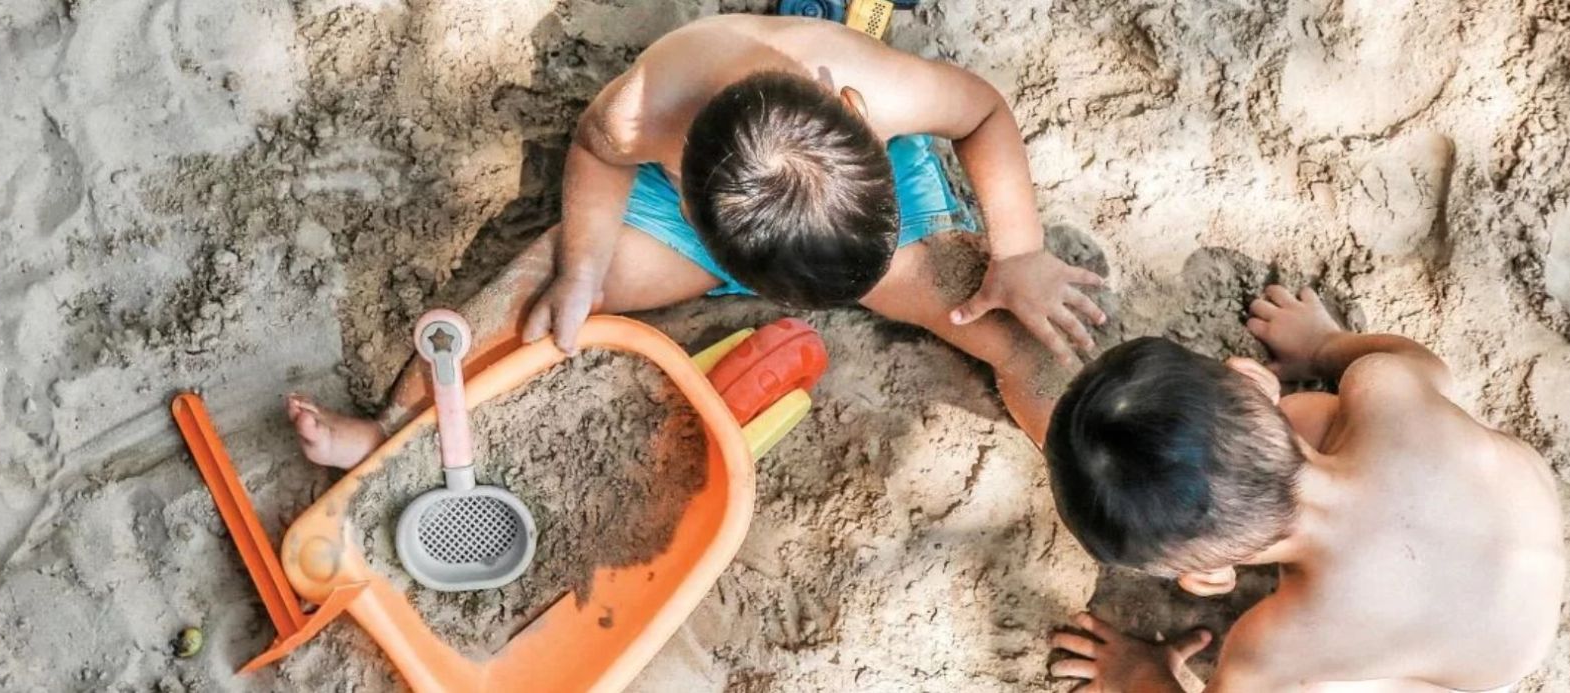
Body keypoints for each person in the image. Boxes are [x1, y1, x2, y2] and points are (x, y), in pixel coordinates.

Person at [285, 14, 1101, 465]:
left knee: (1022, 333)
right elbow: (599, 155)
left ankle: (1081, 458)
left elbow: (984, 112)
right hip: (728, 213)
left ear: (851, 106)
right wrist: (585, 267)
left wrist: (1021, 252)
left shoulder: (878, 88)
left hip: (860, 206)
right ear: (679, 182)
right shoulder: (643, 108)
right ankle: (392, 428)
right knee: (541, 287)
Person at [1042, 285, 1564, 692]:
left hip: (1474, 681)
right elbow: (1426, 364)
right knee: (1313, 414)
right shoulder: (1381, 384)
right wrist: (1324, 346)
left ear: (1203, 572)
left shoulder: (1275, 641)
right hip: (1520, 559)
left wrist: (1138, 675)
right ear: (1250, 379)